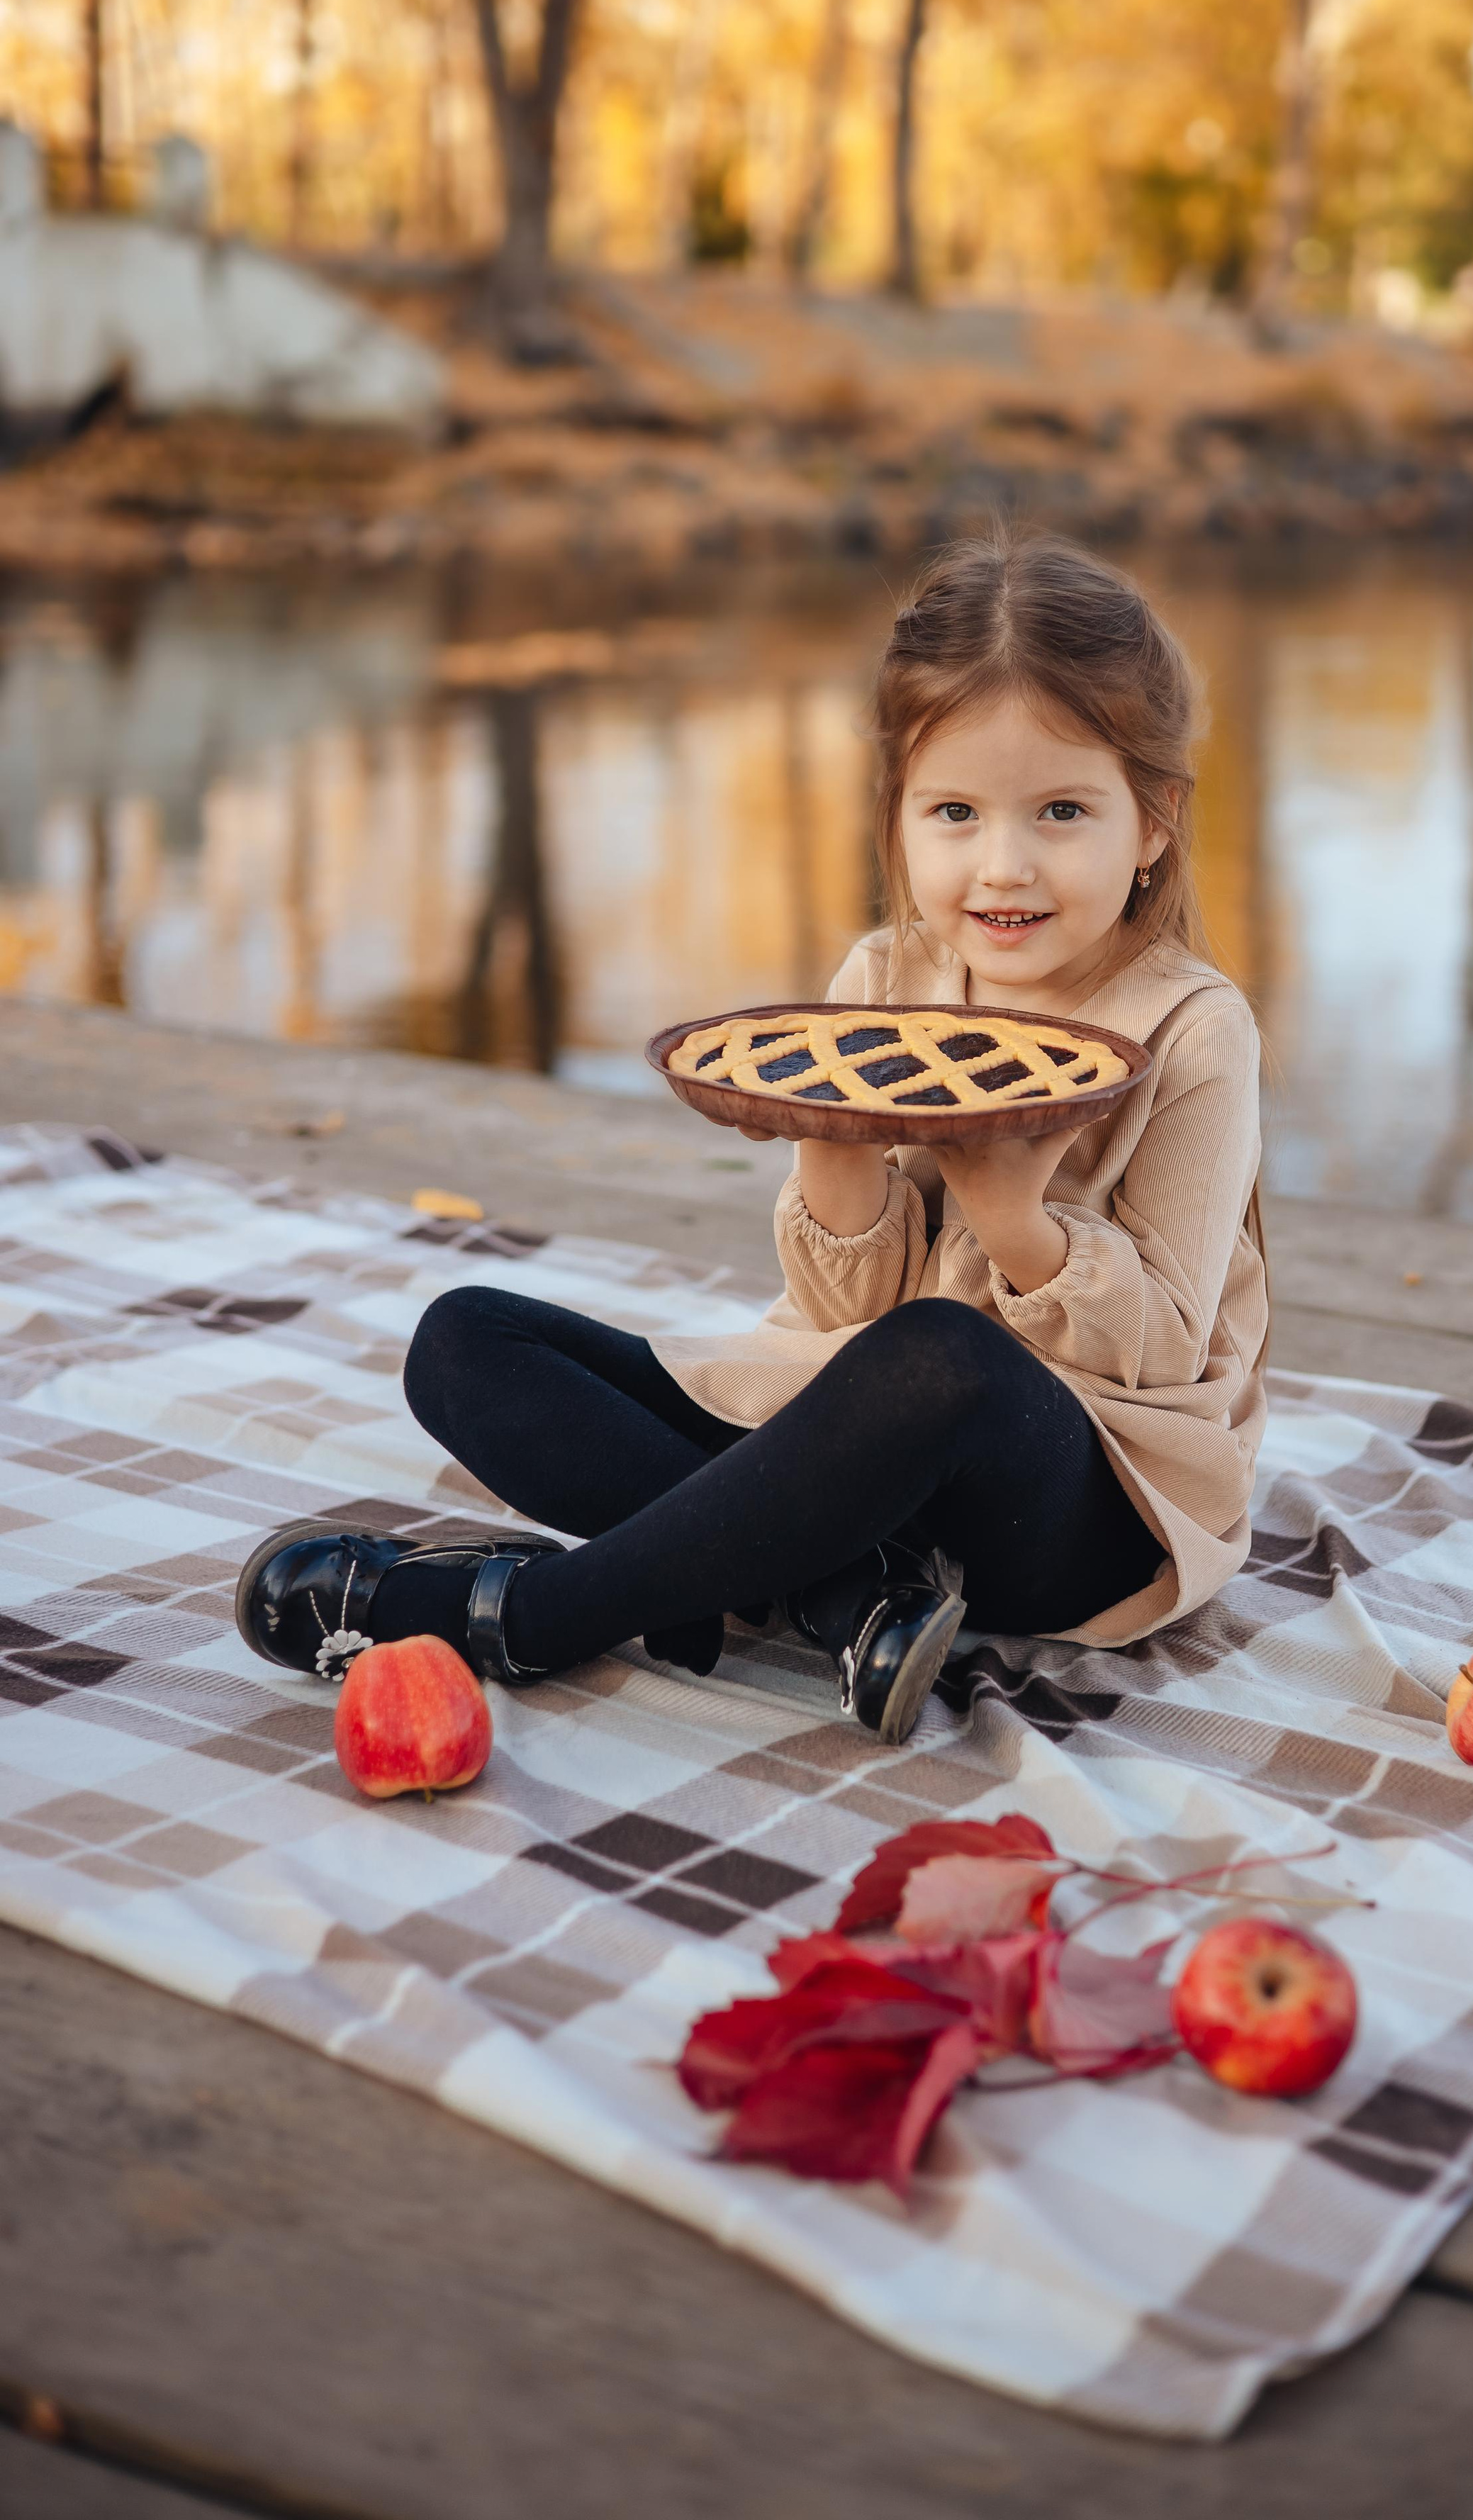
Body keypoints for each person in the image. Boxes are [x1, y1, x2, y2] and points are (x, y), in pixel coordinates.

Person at [235, 533, 1269, 1745]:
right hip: (844, 1440)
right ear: (899, 816)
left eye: (1061, 810)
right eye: (955, 811)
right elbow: (835, 1319)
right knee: (465, 1342)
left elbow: (1160, 1354)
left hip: (1076, 1498)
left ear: (1151, 820)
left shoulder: (1195, 1031)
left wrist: (1015, 1221)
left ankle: (529, 1616)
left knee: (941, 1357)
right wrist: (836, 1165)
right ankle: (845, 1590)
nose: (1004, 865)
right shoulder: (882, 981)